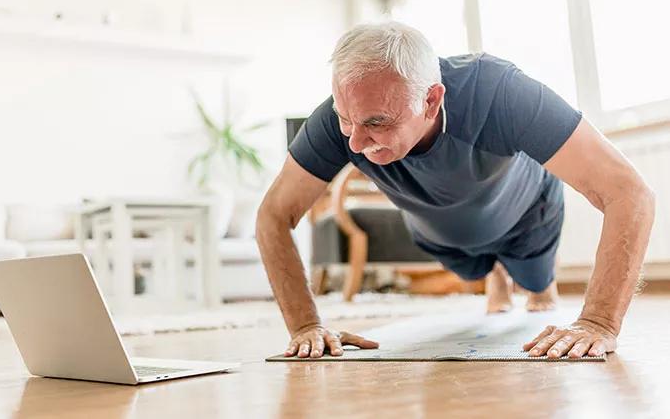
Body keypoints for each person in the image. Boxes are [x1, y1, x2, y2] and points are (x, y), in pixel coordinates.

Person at [256, 21, 655, 359]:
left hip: (523, 213)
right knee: (472, 267)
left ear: (431, 101)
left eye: (377, 123)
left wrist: (598, 321)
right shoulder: (337, 121)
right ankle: (495, 272)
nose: (355, 143)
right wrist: (306, 325)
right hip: (443, 228)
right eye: (346, 120)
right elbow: (274, 214)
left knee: (536, 285)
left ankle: (529, 279)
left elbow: (629, 193)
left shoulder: (501, 91)